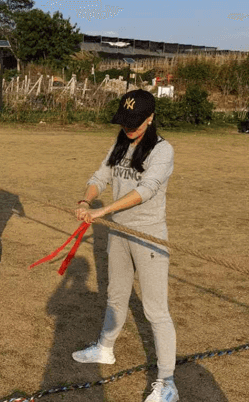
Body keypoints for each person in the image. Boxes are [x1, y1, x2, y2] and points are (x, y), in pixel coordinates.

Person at [71, 89, 178, 402]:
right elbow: (100, 176)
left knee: (155, 310)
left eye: (135, 123)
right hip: (118, 233)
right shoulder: (119, 142)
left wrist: (102, 211)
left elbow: (146, 190)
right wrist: (85, 199)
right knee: (116, 295)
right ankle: (105, 349)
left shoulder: (162, 150)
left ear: (150, 118)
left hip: (148, 236)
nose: (128, 128)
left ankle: (167, 382)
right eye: (124, 122)